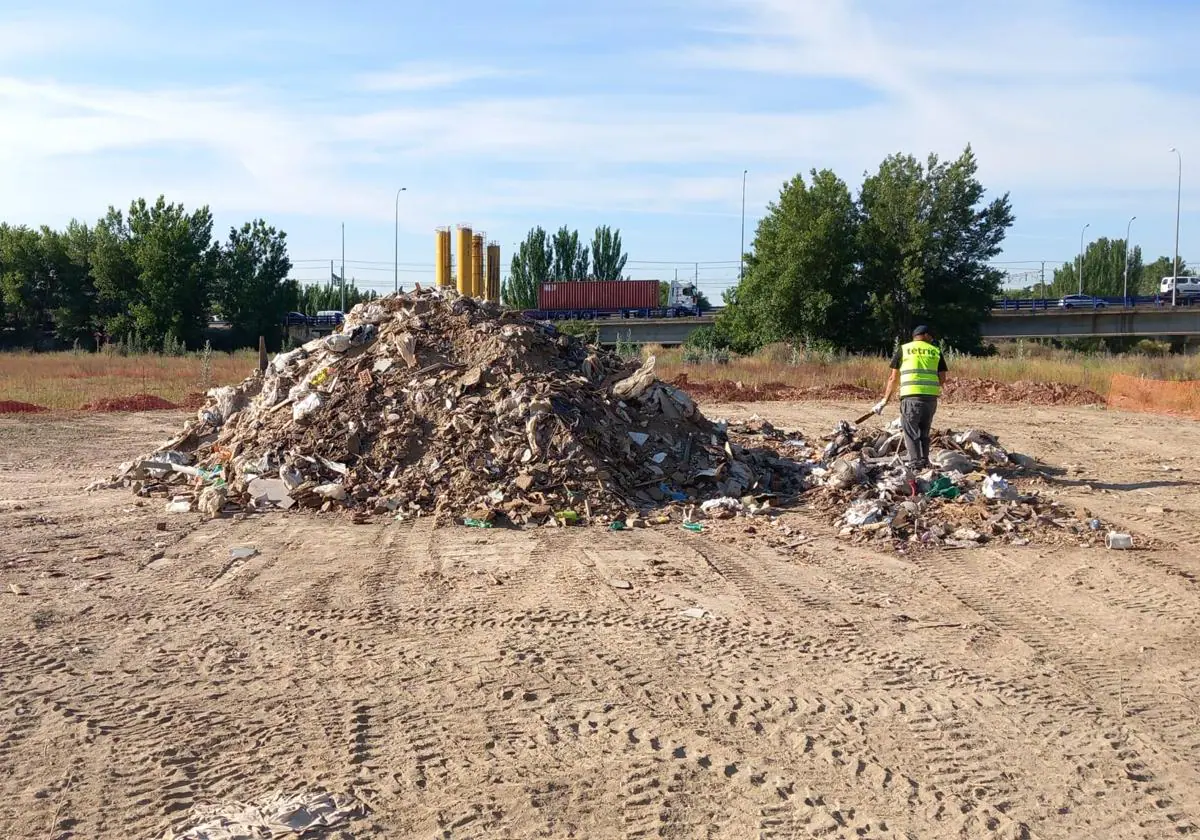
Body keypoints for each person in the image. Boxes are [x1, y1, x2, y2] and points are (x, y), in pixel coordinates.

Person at [871, 325, 947, 470]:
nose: (932, 339)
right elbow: (942, 378)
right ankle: (924, 461)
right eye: (931, 336)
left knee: (911, 432)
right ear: (925, 335)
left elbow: (893, 378)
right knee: (925, 431)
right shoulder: (936, 351)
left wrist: (884, 401)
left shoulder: (904, 349)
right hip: (930, 399)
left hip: (911, 398)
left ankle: (915, 464)